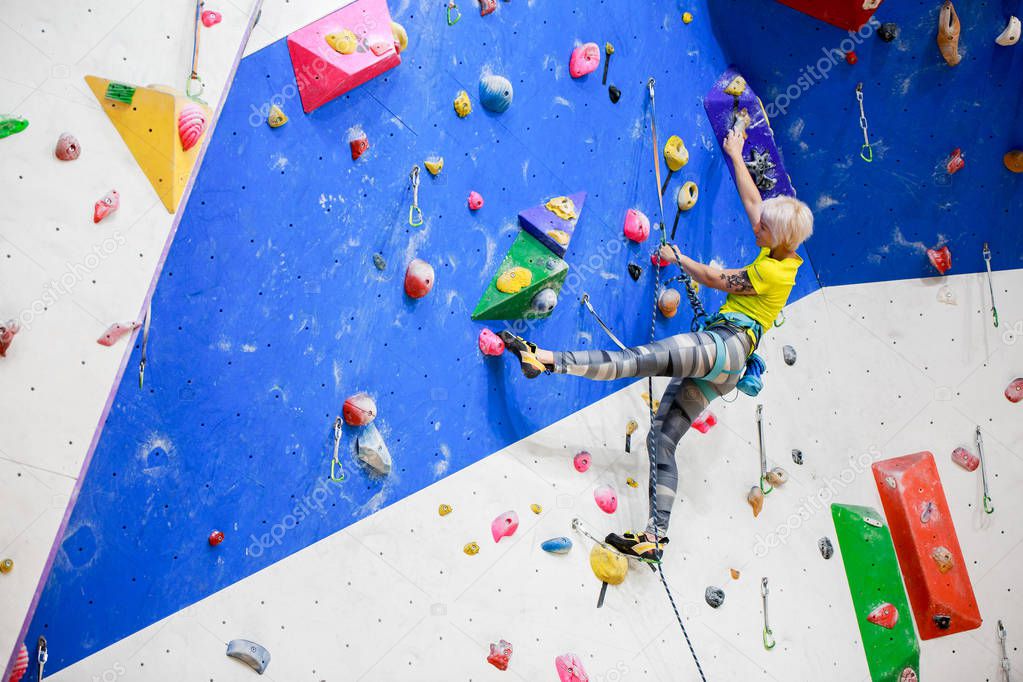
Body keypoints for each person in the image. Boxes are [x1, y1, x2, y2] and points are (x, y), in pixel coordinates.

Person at [499, 129, 814, 562]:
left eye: (762, 227)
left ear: (776, 236)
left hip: (725, 345)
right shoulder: (780, 252)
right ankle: (656, 537)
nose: (755, 224)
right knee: (661, 439)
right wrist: (736, 155)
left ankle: (544, 359)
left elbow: (719, 280)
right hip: (727, 370)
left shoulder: (775, 273)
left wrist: (678, 258)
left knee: (637, 360)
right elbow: (753, 203)